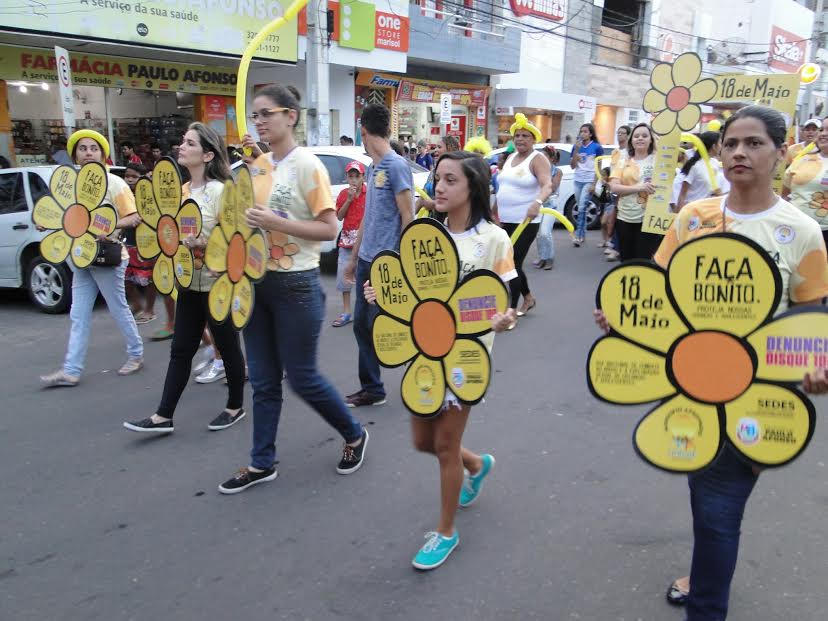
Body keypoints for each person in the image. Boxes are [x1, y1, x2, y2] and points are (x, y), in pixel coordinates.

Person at [596, 105, 828, 620]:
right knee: (706, 502)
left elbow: (811, 325)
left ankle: (706, 605)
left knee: (719, 512)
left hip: (758, 398)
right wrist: (622, 319)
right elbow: (655, 295)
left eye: (754, 143)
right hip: (690, 389)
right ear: (719, 153)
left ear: (781, 153)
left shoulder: (803, 232)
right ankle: (704, 574)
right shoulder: (693, 217)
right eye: (731, 143)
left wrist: (816, 369)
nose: (739, 152)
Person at [364, 151, 517, 570]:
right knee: (422, 442)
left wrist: (505, 319)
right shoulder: (426, 235)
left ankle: (446, 533)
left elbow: (506, 298)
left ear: (473, 187)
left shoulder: (493, 239)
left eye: (451, 180)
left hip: (466, 358)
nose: (440, 187)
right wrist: (381, 293)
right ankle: (477, 463)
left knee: (444, 444)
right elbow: (404, 289)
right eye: (438, 179)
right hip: (422, 356)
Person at [218, 84, 369, 494]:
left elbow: (328, 228)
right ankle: (260, 462)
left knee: (301, 378)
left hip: (297, 283)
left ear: (291, 116)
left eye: (267, 113)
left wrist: (275, 223)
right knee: (264, 381)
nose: (260, 121)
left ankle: (354, 433)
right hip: (256, 283)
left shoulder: (308, 165)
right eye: (256, 115)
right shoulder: (259, 165)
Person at [123, 124, 247, 434]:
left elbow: (236, 237)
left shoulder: (220, 191)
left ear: (207, 154)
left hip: (217, 284)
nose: (182, 146)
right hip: (188, 283)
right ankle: (163, 416)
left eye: (189, 143)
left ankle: (234, 406)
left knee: (227, 346)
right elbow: (163, 229)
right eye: (183, 141)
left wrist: (203, 245)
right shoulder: (179, 193)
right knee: (181, 349)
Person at [40, 130, 143, 387]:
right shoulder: (71, 185)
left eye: (93, 149)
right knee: (78, 314)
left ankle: (136, 354)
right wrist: (50, 224)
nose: (88, 153)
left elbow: (134, 216)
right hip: (80, 258)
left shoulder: (114, 183)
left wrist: (109, 227)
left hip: (108, 258)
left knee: (118, 308)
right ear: (75, 154)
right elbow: (70, 219)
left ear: (103, 154)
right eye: (83, 148)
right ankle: (71, 370)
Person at [342, 103, 414, 408]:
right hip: (367, 262)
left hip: (387, 265)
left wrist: (402, 266)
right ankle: (372, 387)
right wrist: (354, 260)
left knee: (383, 324)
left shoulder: (396, 166)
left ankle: (419, 377)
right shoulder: (372, 168)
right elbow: (369, 219)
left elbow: (408, 218)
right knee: (362, 324)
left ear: (364, 132)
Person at [493, 114, 553, 323]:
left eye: (525, 136)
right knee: (509, 263)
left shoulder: (537, 159)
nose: (519, 139)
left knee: (511, 264)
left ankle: (511, 311)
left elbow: (547, 185)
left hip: (526, 221)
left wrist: (537, 202)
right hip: (505, 219)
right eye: (517, 135)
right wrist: (494, 212)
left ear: (533, 138)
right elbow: (504, 187)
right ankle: (528, 297)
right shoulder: (510, 158)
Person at [608, 123, 662, 261]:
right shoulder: (622, 162)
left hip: (649, 220)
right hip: (625, 218)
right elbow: (614, 187)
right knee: (626, 260)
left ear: (651, 139)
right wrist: (639, 188)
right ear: (631, 140)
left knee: (643, 261)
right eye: (636, 136)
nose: (640, 139)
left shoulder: (658, 161)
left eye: (645, 136)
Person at [782, 115, 828, 247]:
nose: (824, 134)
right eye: (822, 130)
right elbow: (785, 194)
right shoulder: (801, 158)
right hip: (796, 229)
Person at [332, 160, 367, 328]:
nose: (353, 180)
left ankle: (364, 312)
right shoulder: (343, 194)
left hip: (365, 243)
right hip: (346, 242)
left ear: (363, 177)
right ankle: (347, 312)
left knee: (364, 279)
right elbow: (339, 216)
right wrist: (349, 200)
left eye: (357, 176)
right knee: (344, 279)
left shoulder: (369, 193)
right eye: (350, 176)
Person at [122, 163, 157, 324]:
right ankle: (136, 304)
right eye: (127, 176)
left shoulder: (150, 195)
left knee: (150, 278)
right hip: (128, 241)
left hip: (147, 242)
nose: (129, 179)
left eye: (134, 176)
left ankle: (149, 309)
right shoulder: (123, 195)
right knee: (127, 277)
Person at [600, 125, 631, 260]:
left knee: (618, 219)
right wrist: (608, 183)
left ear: (628, 136)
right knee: (611, 219)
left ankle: (617, 247)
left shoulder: (630, 152)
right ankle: (614, 244)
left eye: (623, 133)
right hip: (614, 188)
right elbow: (612, 170)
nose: (620, 136)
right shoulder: (615, 152)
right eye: (618, 133)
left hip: (624, 190)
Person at [571, 123, 604, 246]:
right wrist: (577, 151)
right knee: (581, 209)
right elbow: (572, 166)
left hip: (589, 180)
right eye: (581, 131)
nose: (582, 134)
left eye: (585, 131)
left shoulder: (596, 147)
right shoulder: (576, 147)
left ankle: (578, 236)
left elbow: (598, 167)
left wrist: (594, 184)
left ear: (590, 134)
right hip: (577, 180)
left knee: (581, 208)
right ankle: (582, 233)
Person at [532, 145, 563, 270]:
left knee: (545, 232)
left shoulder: (557, 171)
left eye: (544, 156)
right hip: (538, 204)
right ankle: (542, 257)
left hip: (550, 205)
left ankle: (549, 258)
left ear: (551, 159)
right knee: (538, 234)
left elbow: (553, 188)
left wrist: (545, 175)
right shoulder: (535, 170)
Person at [676, 131, 723, 210]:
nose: (721, 146)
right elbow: (682, 194)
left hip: (705, 211)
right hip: (691, 211)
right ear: (714, 146)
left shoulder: (715, 163)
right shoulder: (695, 166)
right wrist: (678, 215)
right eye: (720, 143)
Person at [416, 135, 460, 212]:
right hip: (432, 222)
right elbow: (422, 198)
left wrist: (434, 204)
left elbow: (459, 200)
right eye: (436, 147)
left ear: (450, 149)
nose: (435, 150)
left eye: (439, 147)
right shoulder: (433, 171)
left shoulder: (458, 171)